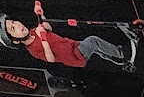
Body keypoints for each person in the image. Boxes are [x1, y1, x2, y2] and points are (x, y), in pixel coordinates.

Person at [2, 11, 137, 70]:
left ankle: (118, 59)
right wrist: (43, 40)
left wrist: (42, 18)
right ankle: (122, 53)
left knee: (96, 49)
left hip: (72, 46)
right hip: (73, 55)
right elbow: (50, 59)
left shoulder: (33, 31)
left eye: (14, 22)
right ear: (15, 41)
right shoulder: (33, 50)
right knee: (93, 41)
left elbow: (48, 28)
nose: (18, 25)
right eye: (13, 28)